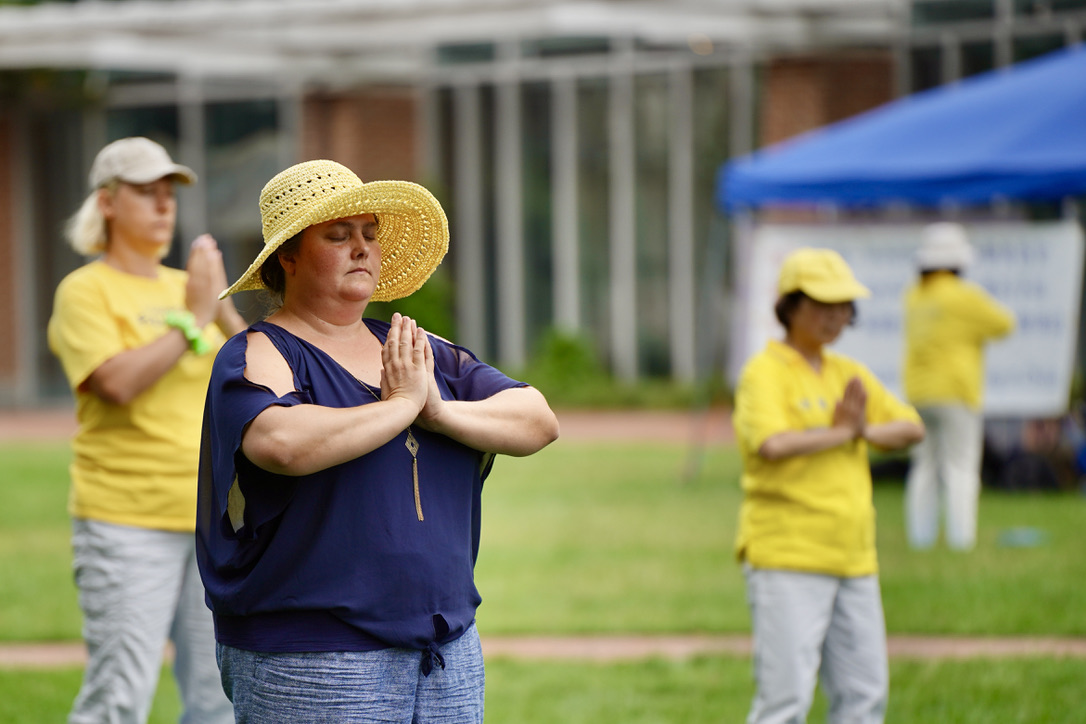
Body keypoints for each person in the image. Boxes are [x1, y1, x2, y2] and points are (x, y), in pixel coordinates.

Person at [196, 159, 560, 723]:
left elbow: (536, 419)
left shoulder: (413, 347)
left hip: (446, 646)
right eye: (338, 236)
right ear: (287, 257)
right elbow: (282, 443)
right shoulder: (260, 352)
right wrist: (400, 408)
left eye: (369, 234)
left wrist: (436, 411)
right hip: (312, 653)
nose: (360, 247)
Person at [47, 136, 245, 724]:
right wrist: (194, 319)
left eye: (169, 194)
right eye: (145, 193)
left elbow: (250, 368)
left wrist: (221, 305)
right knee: (119, 696)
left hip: (210, 519)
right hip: (126, 521)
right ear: (107, 203)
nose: (164, 206)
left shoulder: (186, 287)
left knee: (216, 698)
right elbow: (115, 383)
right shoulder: (85, 290)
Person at [732, 247, 925, 724]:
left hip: (854, 557)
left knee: (864, 698)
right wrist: (842, 432)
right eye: (822, 304)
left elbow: (911, 428)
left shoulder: (847, 373)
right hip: (788, 555)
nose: (834, 316)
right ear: (790, 307)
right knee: (784, 702)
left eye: (843, 306)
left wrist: (860, 431)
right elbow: (771, 445)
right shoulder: (764, 372)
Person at [902, 222, 1015, 550]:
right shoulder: (963, 297)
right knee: (961, 467)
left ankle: (920, 540)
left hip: (919, 392)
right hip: (956, 391)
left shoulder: (913, 297)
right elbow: (1004, 324)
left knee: (923, 465)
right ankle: (960, 540)